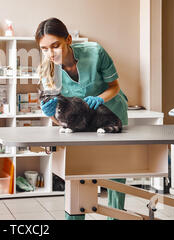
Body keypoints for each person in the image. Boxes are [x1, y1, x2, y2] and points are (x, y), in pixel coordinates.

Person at [36, 18, 129, 220]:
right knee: (77, 174)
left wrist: (99, 98)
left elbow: (114, 87)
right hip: (79, 124)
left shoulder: (95, 52)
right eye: (44, 49)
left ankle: (115, 217)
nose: (50, 54)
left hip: (109, 116)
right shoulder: (48, 71)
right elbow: (57, 119)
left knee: (115, 176)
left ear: (68, 39)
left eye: (55, 46)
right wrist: (49, 113)